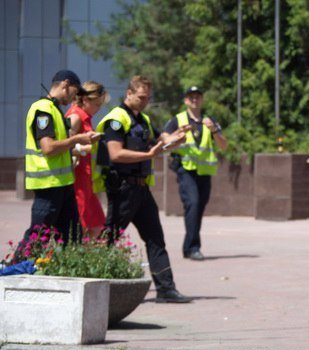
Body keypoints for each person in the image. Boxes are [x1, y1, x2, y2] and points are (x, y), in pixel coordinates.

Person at [94, 75, 192, 303]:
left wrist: (177, 137)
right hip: (123, 189)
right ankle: (90, 281)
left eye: (148, 97)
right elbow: (116, 153)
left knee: (155, 238)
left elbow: (162, 138)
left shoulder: (142, 119)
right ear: (128, 93)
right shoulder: (116, 120)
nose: (145, 101)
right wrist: (149, 155)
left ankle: (166, 289)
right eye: (141, 97)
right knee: (108, 238)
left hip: (141, 190)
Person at [19, 70, 101, 252]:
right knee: (38, 237)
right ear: (65, 84)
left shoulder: (54, 110)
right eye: (74, 91)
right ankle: (13, 271)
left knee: (72, 238)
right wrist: (77, 140)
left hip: (63, 185)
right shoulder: (43, 110)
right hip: (48, 185)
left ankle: (73, 274)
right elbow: (48, 147)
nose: (74, 97)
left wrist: (79, 145)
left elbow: (62, 147)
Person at [164, 86, 228, 260]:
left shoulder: (209, 121)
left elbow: (224, 145)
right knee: (192, 203)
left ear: (202, 99)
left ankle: (188, 247)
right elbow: (163, 139)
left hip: (204, 170)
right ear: (185, 100)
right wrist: (178, 135)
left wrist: (214, 130)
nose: (194, 100)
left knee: (198, 208)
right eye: (191, 97)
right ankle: (193, 247)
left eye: (198, 97)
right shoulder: (178, 120)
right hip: (186, 169)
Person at [65, 80, 109, 239]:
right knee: (82, 225)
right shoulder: (75, 117)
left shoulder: (85, 117)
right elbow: (63, 147)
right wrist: (89, 149)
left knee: (97, 224)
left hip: (87, 179)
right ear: (85, 100)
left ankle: (87, 257)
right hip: (78, 180)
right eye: (97, 104)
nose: (99, 109)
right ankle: (78, 258)